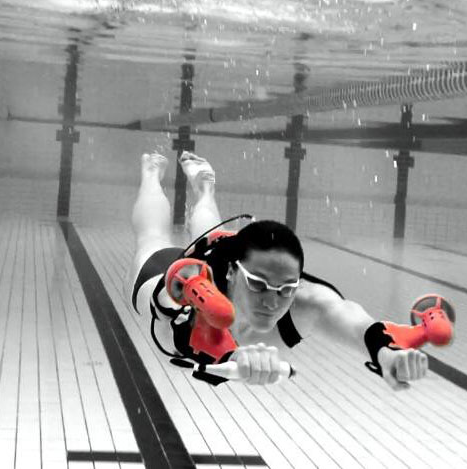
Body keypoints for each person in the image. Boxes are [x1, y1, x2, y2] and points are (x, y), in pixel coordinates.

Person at [129, 151, 429, 389]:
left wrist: (386, 354)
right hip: (177, 274)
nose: (272, 302)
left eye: (285, 289)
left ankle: (205, 189)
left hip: (230, 250)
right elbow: (180, 339)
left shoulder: (304, 299)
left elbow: (355, 321)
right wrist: (233, 356)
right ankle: (151, 172)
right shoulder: (194, 295)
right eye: (259, 285)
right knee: (152, 238)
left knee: (212, 230)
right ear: (233, 272)